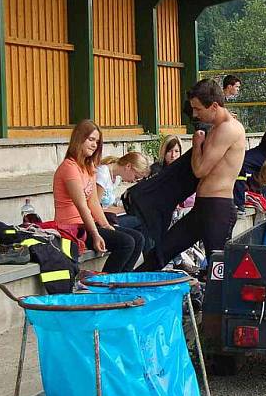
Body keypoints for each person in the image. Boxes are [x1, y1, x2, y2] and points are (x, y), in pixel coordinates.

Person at [139, 79, 246, 270]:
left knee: (217, 268)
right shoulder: (216, 128)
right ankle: (128, 286)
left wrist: (197, 144)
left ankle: (214, 299)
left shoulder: (228, 129)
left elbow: (200, 170)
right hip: (203, 206)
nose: (195, 114)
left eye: (198, 109)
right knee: (161, 252)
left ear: (214, 106)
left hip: (217, 207)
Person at [53, 120, 142, 273]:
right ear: (79, 139)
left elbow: (93, 202)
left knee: (138, 238)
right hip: (71, 228)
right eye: (91, 139)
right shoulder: (69, 167)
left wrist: (106, 225)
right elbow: (82, 206)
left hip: (86, 225)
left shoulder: (89, 168)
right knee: (126, 242)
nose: (94, 145)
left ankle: (122, 283)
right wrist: (95, 234)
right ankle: (104, 284)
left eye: (97, 141)